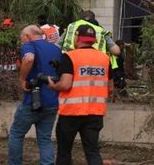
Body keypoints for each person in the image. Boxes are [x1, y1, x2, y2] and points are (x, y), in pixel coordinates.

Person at [48, 25, 111, 165]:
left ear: (77, 38)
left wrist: (53, 86)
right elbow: (110, 87)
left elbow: (65, 85)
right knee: (92, 152)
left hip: (71, 113)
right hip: (95, 113)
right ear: (93, 40)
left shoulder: (70, 56)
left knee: (64, 152)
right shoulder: (105, 58)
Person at [8, 25, 63, 165]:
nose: (22, 41)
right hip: (52, 101)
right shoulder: (56, 49)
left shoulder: (29, 45)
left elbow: (29, 59)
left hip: (33, 100)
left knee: (16, 134)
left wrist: (22, 80)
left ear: (27, 36)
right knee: (44, 139)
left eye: (22, 38)